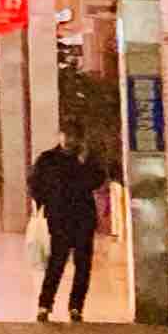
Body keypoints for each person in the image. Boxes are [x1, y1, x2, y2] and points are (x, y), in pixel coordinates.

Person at [29, 118, 106, 323]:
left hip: (83, 218)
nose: (70, 140)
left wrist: (83, 163)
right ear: (60, 136)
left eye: (74, 136)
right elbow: (35, 184)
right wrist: (44, 203)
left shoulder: (86, 159)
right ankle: (45, 304)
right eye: (67, 135)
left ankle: (76, 306)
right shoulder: (47, 159)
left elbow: (97, 180)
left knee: (83, 265)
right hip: (59, 218)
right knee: (56, 262)